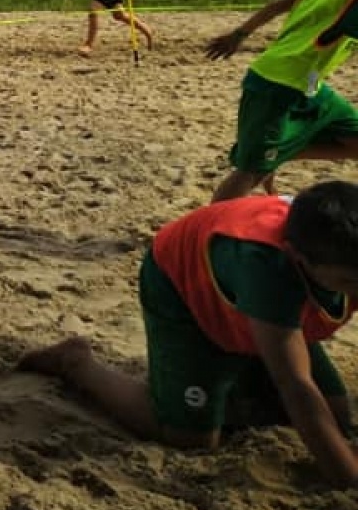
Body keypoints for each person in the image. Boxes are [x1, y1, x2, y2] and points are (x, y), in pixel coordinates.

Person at [21, 181, 358, 485]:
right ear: (298, 258)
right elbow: (294, 382)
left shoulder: (337, 256)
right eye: (349, 282)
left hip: (256, 300)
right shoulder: (266, 269)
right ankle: (77, 363)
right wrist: (349, 480)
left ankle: (236, 378)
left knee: (337, 415)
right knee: (189, 437)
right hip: (185, 290)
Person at [203, 0, 358, 203]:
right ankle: (206, 231)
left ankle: (287, 149)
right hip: (276, 85)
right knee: (249, 172)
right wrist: (238, 35)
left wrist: (238, 35)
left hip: (309, 85)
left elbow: (276, 5)